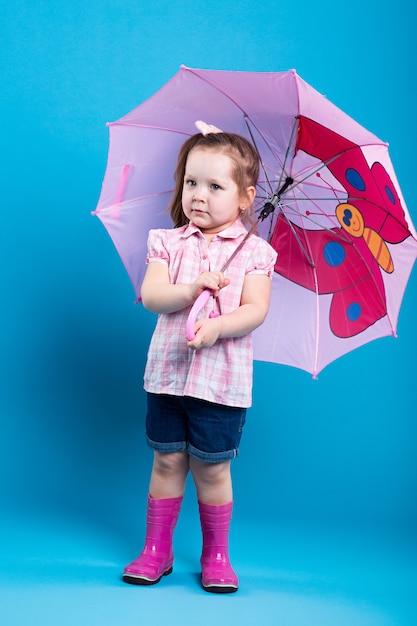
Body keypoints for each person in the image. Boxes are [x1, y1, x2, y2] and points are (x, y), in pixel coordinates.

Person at [122, 124, 277, 593]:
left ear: (247, 196)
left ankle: (216, 555)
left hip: (221, 383)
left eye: (215, 186)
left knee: (212, 468)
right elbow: (151, 296)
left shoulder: (256, 254)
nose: (199, 196)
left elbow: (256, 310)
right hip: (167, 377)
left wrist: (218, 327)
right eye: (191, 182)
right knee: (167, 462)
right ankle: (157, 550)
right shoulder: (166, 243)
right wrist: (191, 290)